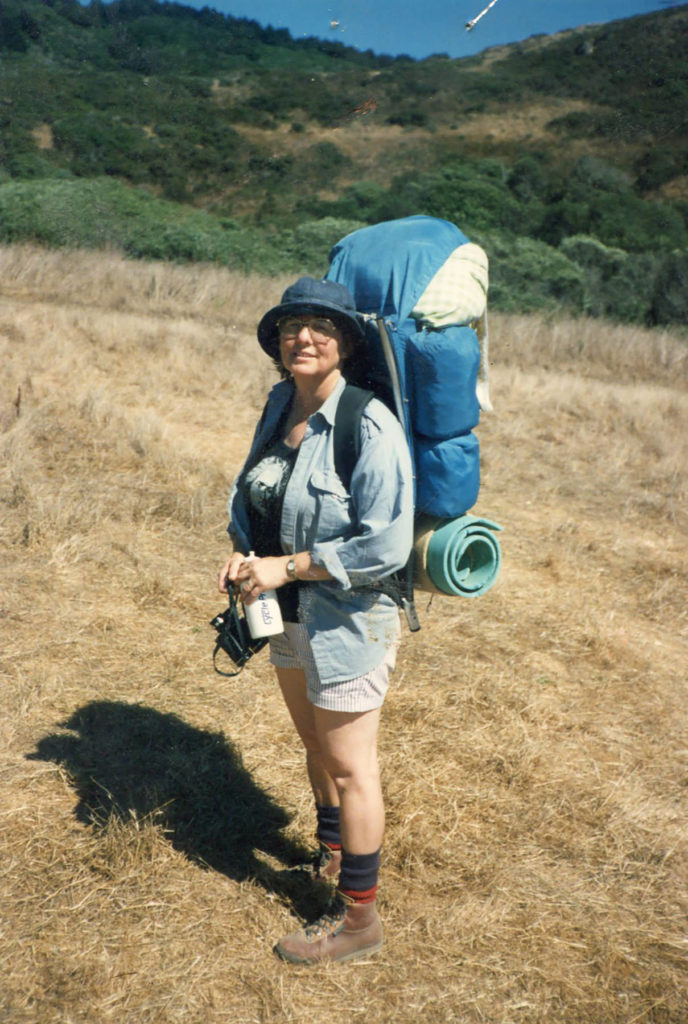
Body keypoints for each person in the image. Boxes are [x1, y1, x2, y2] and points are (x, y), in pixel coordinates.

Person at [218, 276, 414, 964]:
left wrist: (288, 566)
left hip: (348, 619)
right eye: (292, 326)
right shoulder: (279, 403)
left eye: (321, 327)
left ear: (345, 343)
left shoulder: (368, 425)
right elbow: (254, 488)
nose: (304, 337)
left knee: (352, 764)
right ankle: (332, 854)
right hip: (283, 613)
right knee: (315, 745)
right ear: (276, 341)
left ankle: (360, 922)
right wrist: (243, 552)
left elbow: (384, 544)